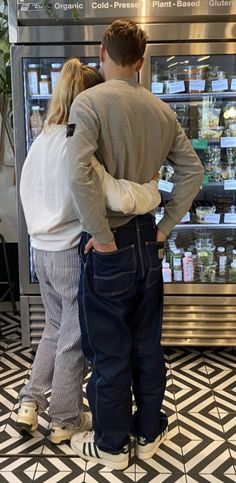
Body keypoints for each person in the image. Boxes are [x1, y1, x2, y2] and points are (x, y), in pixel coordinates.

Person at [66, 20, 204, 470]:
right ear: (141, 62)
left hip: (109, 243)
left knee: (108, 349)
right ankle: (147, 433)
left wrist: (102, 237)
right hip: (148, 239)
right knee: (146, 344)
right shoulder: (162, 111)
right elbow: (194, 171)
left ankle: (110, 446)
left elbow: (78, 173)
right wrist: (164, 226)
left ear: (103, 53)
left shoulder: (88, 103)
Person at [16, 57, 162, 444]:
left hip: (39, 249)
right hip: (68, 249)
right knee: (75, 336)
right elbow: (112, 193)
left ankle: (29, 402)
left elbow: (26, 191)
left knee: (52, 328)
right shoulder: (79, 140)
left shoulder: (43, 137)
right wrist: (151, 189)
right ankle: (64, 418)